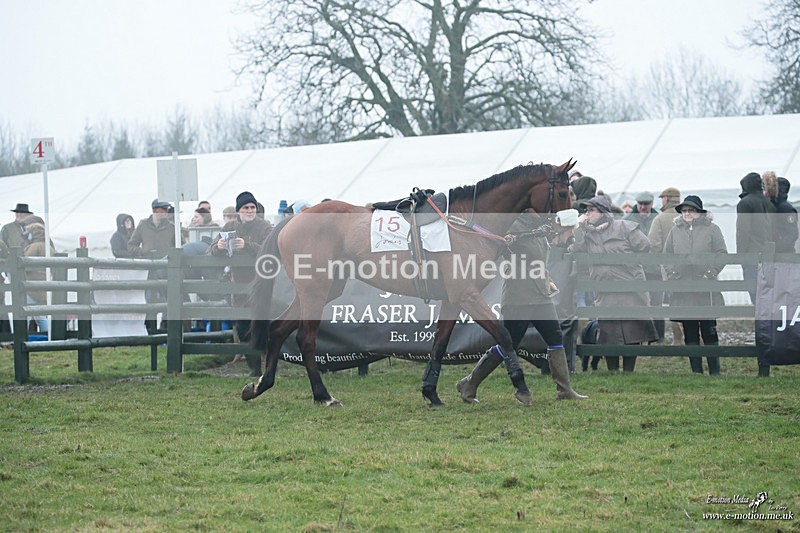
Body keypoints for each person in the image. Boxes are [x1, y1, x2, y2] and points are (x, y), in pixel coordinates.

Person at [456, 210, 586, 404]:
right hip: (519, 297)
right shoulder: (513, 226)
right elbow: (502, 248)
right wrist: (507, 240)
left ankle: (564, 390)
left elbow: (538, 260)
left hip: (541, 296)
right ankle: (469, 383)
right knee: (509, 344)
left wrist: (547, 280)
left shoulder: (540, 228)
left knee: (555, 338)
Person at [568, 195, 658, 372]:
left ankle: (628, 371)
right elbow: (573, 249)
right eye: (587, 210)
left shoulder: (624, 227)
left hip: (630, 288)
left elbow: (645, 246)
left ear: (602, 211)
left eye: (591, 210)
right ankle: (612, 371)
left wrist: (629, 263)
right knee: (608, 331)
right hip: (604, 289)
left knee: (632, 331)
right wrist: (579, 228)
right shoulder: (586, 234)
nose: (588, 213)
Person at [663, 195, 727, 375]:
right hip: (683, 288)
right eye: (684, 210)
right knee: (689, 329)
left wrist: (711, 272)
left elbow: (722, 253)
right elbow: (667, 254)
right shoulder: (675, 231)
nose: (687, 213)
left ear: (699, 212)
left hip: (705, 287)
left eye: (690, 210)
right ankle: (696, 371)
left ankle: (714, 370)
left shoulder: (713, 229)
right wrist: (672, 273)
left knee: (709, 328)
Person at [211, 191, 273, 376]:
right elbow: (212, 249)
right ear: (239, 210)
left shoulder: (265, 226)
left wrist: (246, 245)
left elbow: (269, 249)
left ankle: (269, 367)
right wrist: (219, 248)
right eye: (246, 207)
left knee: (263, 325)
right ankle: (254, 369)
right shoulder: (230, 226)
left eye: (252, 207)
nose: (250, 210)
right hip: (237, 287)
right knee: (244, 326)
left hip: (261, 285)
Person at [735, 172, 775, 377]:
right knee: (766, 301)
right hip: (768, 257)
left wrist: (741, 257)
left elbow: (743, 232)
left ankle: (760, 338)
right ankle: (766, 338)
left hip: (751, 258)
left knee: (755, 298)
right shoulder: (768, 203)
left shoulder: (745, 204)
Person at [648, 187, 684, 345]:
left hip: (668, 268)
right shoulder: (688, 215)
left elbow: (654, 244)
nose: (661, 201)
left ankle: (678, 339)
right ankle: (693, 336)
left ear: (667, 199)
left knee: (673, 301)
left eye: (662, 198)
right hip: (689, 268)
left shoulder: (660, 219)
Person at [625, 191, 662, 339]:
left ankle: (658, 335)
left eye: (646, 204)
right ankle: (640, 334)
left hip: (655, 268)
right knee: (638, 302)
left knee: (657, 302)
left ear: (651, 204)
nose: (642, 207)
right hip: (635, 269)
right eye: (640, 204)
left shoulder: (658, 218)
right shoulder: (627, 219)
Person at [21, 218, 55, 334]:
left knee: (25, 313)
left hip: (32, 286)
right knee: (40, 315)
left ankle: (20, 336)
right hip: (44, 286)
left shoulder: (34, 247)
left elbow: (25, 265)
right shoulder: (48, 247)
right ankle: (49, 335)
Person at [764, 173, 798, 253]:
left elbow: (792, 234)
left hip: (784, 254)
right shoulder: (772, 205)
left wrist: (775, 248)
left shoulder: (786, 208)